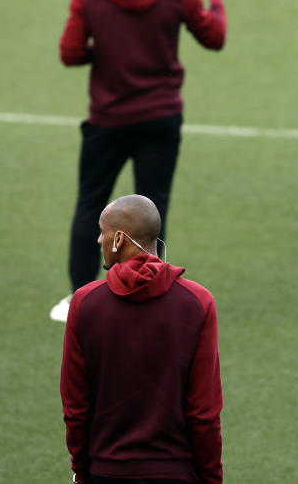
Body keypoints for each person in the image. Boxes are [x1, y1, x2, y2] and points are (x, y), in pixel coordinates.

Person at [52, 0, 230, 322]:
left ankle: (79, 296)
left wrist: (109, 53)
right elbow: (214, 37)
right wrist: (216, 0)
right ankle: (152, 288)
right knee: (154, 206)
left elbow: (71, 52)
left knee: (90, 204)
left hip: (107, 119)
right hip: (160, 118)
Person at [60, 195, 222, 484]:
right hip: (177, 473)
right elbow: (204, 410)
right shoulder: (197, 302)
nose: (98, 239)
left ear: (119, 238)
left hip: (105, 472)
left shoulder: (86, 303)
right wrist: (211, 478)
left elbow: (75, 405)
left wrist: (83, 470)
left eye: (103, 230)